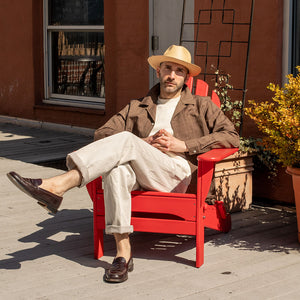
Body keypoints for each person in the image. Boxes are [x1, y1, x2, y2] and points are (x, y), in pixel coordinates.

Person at [7, 45, 240, 283]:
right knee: (116, 171)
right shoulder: (137, 106)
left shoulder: (202, 106)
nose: (172, 75)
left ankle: (59, 185)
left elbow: (231, 137)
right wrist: (142, 142)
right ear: (158, 71)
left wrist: (184, 145)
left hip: (176, 174)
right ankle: (123, 253)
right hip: (141, 173)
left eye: (179, 70)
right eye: (167, 68)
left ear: (186, 77)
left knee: (127, 140)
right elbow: (103, 133)